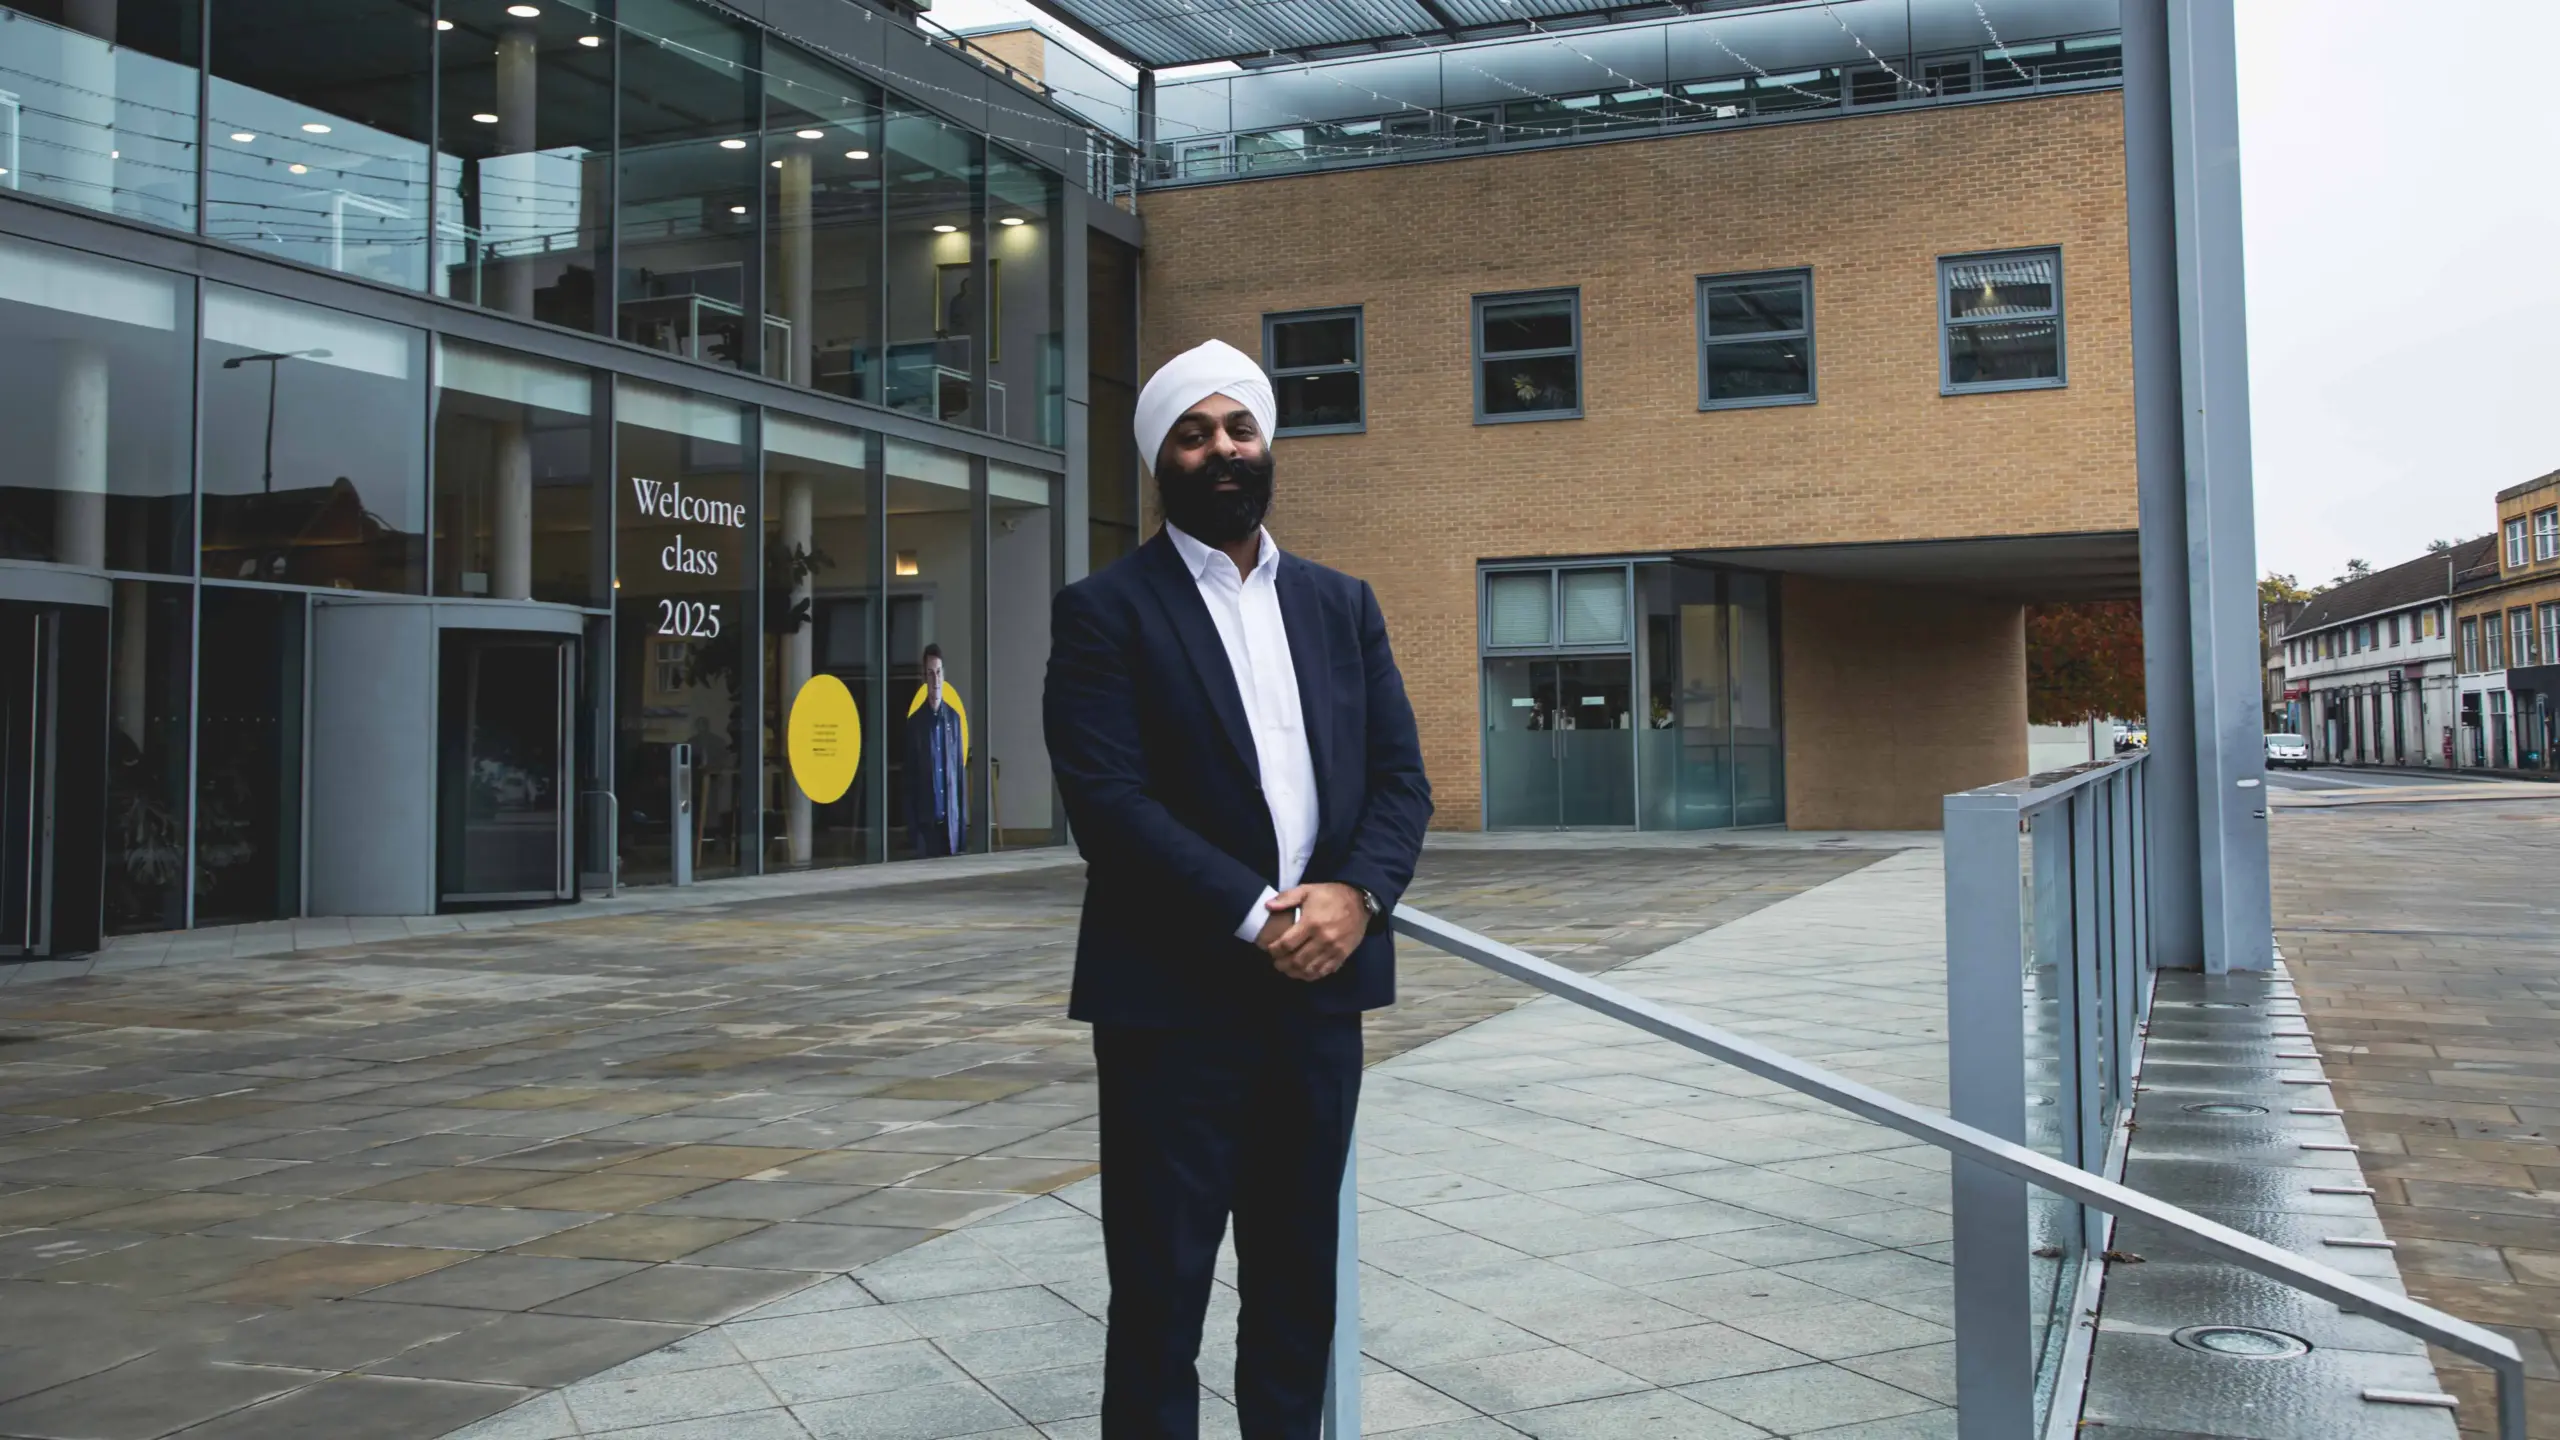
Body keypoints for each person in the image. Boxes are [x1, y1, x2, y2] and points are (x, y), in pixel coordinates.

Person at [1043, 339, 1432, 1440]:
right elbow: (1108, 808)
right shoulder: (1104, 611)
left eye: (1239, 428)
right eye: (1193, 432)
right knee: (1161, 1299)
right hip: (1173, 1007)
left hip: (1318, 998)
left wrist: (1353, 896)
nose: (1222, 449)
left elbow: (1403, 783)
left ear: (1267, 444)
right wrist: (1257, 911)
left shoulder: (1340, 605)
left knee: (1298, 1286)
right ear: (1160, 459)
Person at [904, 643, 966, 856]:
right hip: (925, 828)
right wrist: (913, 831)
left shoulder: (954, 720)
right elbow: (909, 781)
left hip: (950, 828)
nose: (935, 680)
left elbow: (959, 776)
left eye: (938, 673)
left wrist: (962, 828)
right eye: (930, 674)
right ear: (924, 678)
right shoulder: (915, 724)